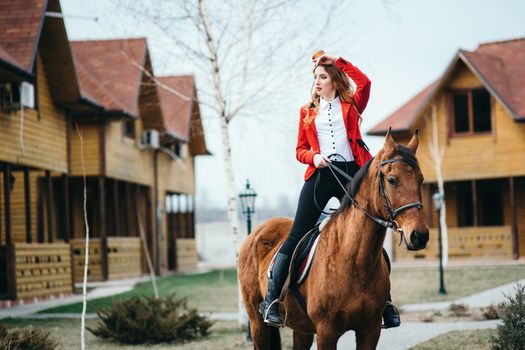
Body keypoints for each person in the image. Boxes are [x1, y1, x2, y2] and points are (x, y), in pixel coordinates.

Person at [259, 50, 401, 329]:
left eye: (322, 77)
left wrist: (338, 62)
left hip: (351, 173)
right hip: (321, 176)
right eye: (315, 78)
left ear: (334, 79)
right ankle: (272, 301)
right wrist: (313, 157)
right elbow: (299, 149)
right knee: (298, 233)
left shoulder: (352, 105)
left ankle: (385, 303)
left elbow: (366, 83)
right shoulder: (307, 112)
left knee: (371, 232)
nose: (317, 82)